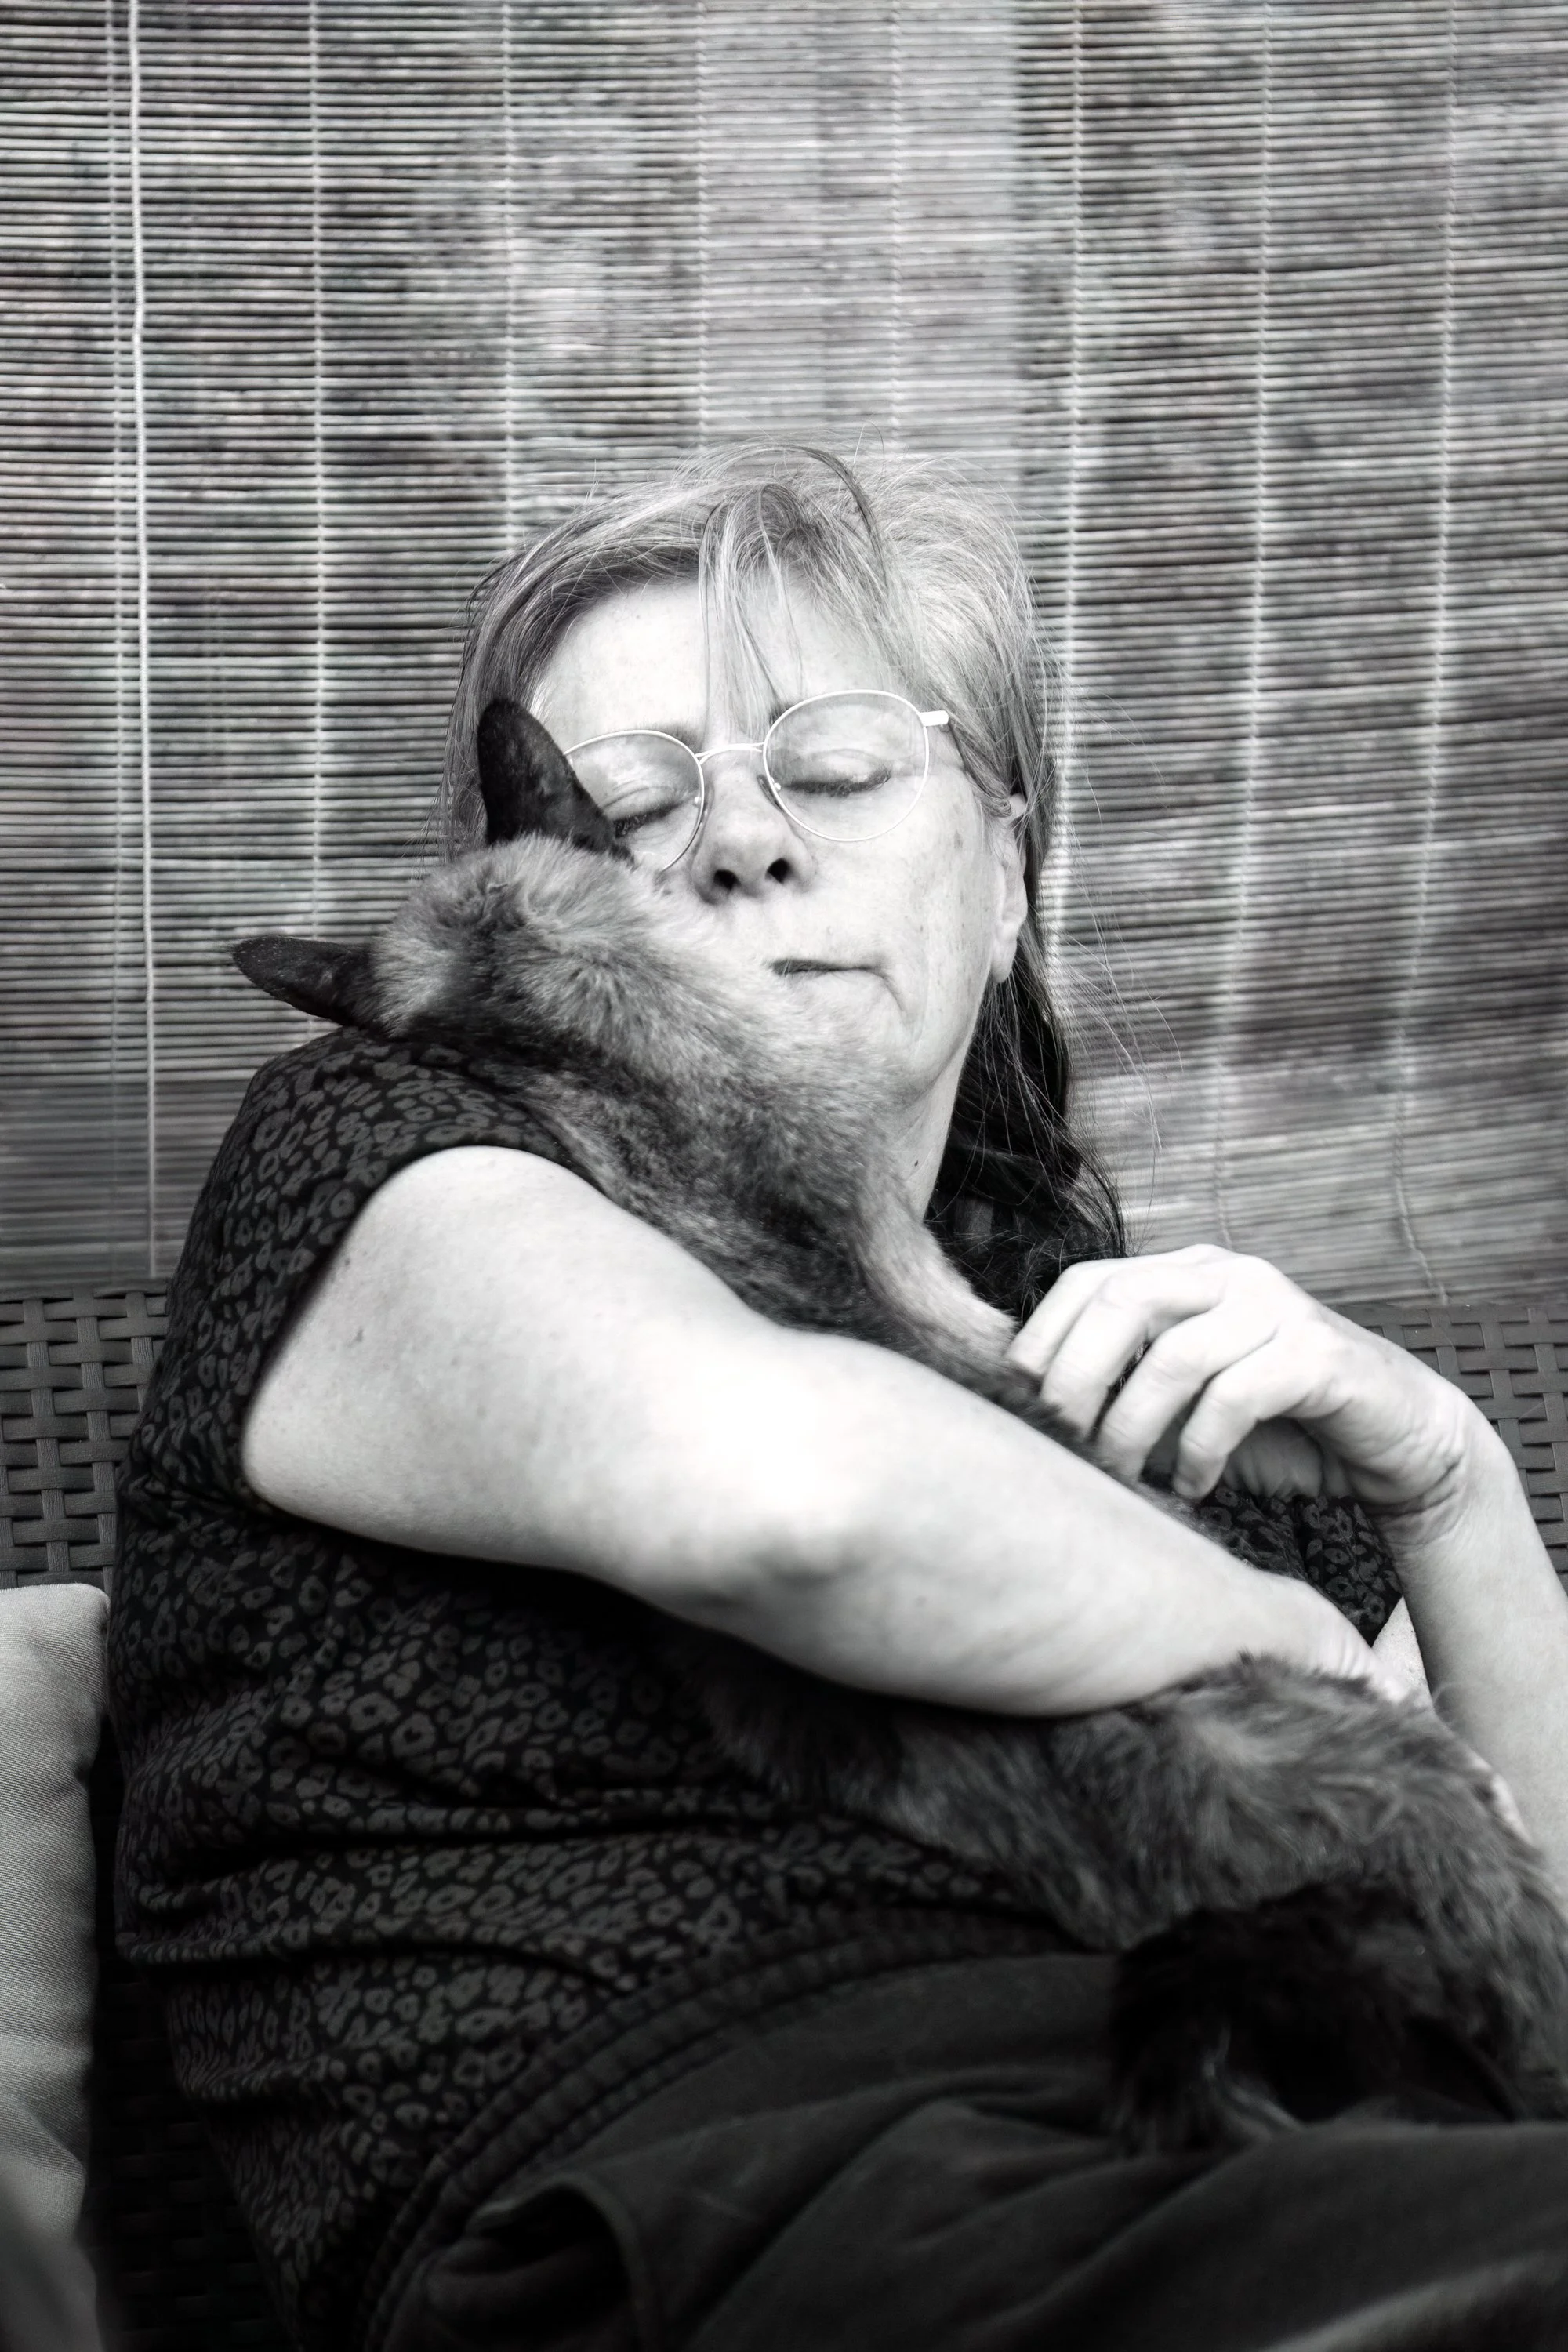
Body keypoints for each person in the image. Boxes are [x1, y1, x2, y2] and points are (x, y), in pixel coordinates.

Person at [110, 446, 1568, 2351]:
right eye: (630, 803)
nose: (739, 840)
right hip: (753, 2196)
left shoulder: (1143, 1365)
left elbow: (1530, 1953)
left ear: (1006, 886)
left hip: (1305, 2145)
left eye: (838, 765)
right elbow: (785, 1503)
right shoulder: (394, 1149)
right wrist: (1285, 1638)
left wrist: (1446, 1490)